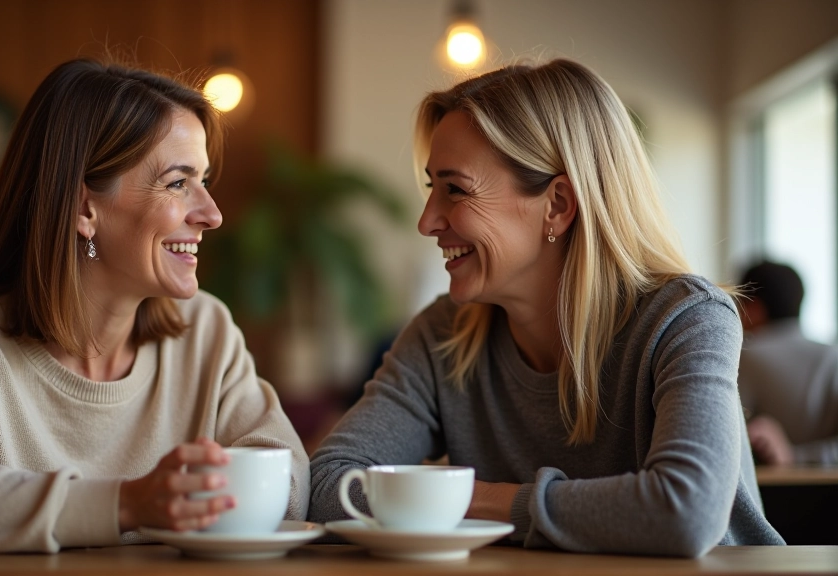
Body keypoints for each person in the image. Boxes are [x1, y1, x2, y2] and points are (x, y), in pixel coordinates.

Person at [308, 58, 784, 556]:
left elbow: (685, 512)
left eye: (455, 190)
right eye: (432, 188)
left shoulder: (687, 320)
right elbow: (328, 486)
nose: (427, 221)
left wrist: (464, 499)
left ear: (557, 204)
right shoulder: (441, 336)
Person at [0, 58, 309, 553]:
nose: (211, 214)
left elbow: (287, 473)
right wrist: (129, 504)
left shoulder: (204, 331)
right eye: (177, 183)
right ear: (85, 209)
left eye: (204, 181)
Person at [737, 260, 838, 466]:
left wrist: (790, 455)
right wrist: (801, 455)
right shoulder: (831, 355)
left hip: (772, 493)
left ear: (754, 308)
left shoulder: (745, 356)